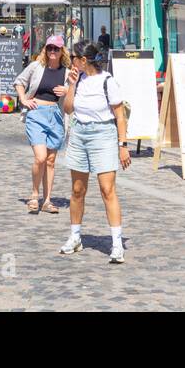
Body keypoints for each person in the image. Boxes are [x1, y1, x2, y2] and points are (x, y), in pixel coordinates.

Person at [60, 42, 130, 264]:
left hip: (103, 134)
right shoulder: (77, 80)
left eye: (73, 57)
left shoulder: (107, 81)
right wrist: (71, 85)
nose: (70, 61)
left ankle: (117, 243)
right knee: (77, 189)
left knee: (107, 189)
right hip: (80, 133)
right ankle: (75, 236)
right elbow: (68, 109)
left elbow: (120, 116)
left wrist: (123, 145)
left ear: (83, 60)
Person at [14, 34, 69, 214]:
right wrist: (23, 99)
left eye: (56, 49)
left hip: (56, 115)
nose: (52, 51)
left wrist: (68, 89)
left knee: (51, 161)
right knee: (40, 157)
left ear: (62, 51)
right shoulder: (36, 66)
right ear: (45, 49)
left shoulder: (67, 72)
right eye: (49, 48)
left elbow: (77, 92)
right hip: (36, 113)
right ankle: (34, 194)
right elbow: (19, 82)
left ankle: (47, 200)